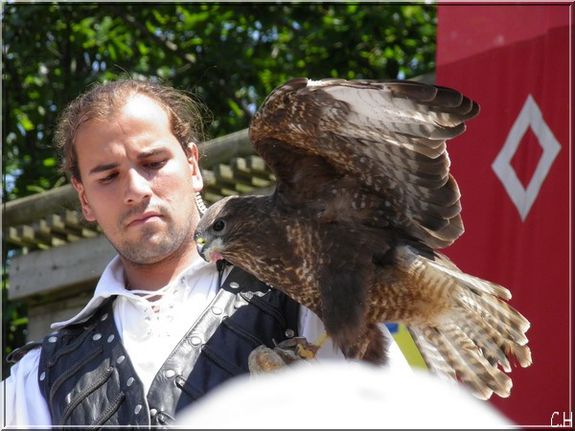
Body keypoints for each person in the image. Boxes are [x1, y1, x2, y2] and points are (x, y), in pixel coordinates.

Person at [2, 79, 410, 427]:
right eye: (108, 176)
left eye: (154, 162)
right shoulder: (39, 374)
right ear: (84, 200)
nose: (136, 190)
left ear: (193, 166)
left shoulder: (301, 298)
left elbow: (407, 415)